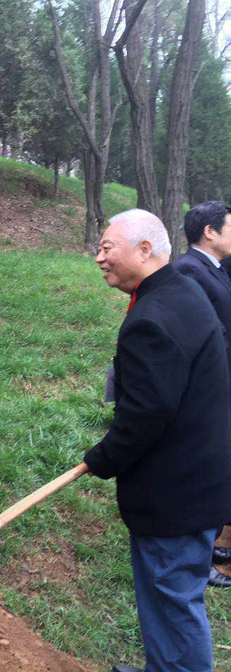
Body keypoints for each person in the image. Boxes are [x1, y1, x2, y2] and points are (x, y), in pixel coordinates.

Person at [85, 209, 231, 672]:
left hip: (177, 492)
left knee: (172, 597)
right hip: (198, 476)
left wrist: (102, 458)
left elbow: (146, 414)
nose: (99, 258)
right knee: (163, 592)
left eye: (107, 248)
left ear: (145, 250)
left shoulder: (153, 317)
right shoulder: (182, 290)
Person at [174, 201, 231, 589]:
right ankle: (198, 554)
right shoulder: (188, 272)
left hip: (220, 387)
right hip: (207, 390)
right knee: (204, 469)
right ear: (210, 231)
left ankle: (209, 544)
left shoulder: (215, 269)